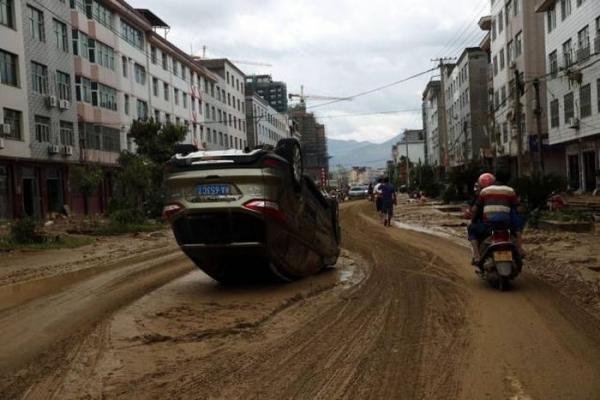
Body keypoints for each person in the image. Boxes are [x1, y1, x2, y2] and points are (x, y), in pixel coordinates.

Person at [471, 170, 525, 264]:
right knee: (517, 230)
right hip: (506, 225)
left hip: (488, 225)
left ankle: (476, 256)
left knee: (471, 230)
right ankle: (520, 251)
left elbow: (475, 209)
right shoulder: (510, 191)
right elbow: (519, 209)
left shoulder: (484, 192)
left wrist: (472, 220)